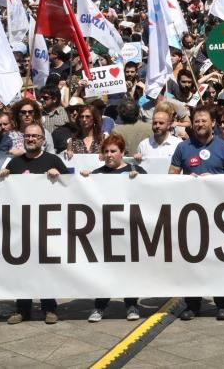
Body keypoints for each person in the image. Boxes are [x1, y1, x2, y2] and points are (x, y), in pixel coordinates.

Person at [171, 105, 224, 322]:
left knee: (219, 261)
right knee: (191, 262)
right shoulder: (183, 148)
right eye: (196, 121)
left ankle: (222, 304)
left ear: (213, 123)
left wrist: (216, 180)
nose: (200, 124)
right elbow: (171, 177)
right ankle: (192, 304)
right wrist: (186, 181)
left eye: (204, 120)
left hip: (218, 216)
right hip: (190, 215)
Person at [0, 123, 67, 324]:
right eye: (27, 136)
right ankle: (22, 309)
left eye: (35, 136)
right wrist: (2, 177)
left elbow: (71, 189)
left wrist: (60, 176)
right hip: (21, 224)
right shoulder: (14, 164)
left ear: (42, 140)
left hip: (47, 223)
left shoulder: (53, 160)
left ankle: (49, 308)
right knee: (22, 268)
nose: (31, 139)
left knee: (46, 267)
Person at [80, 135, 145, 322]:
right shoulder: (97, 174)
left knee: (129, 270)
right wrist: (84, 180)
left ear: (122, 152)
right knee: (104, 270)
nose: (109, 155)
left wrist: (139, 181)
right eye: (106, 151)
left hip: (129, 230)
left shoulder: (136, 170)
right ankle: (100, 306)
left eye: (113, 151)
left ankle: (131, 305)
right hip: (105, 232)